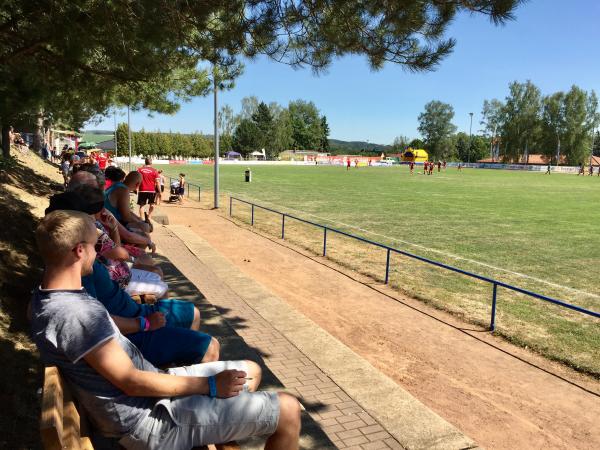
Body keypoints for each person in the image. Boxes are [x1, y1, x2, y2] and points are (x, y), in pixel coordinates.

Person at [31, 210, 301, 449]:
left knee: (250, 371)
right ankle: (224, 422)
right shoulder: (77, 314)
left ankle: (227, 421)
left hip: (151, 394)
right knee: (288, 409)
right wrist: (209, 386)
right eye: (94, 245)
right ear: (79, 251)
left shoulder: (46, 299)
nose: (98, 252)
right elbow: (131, 383)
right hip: (150, 420)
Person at [137, 158, 160, 223]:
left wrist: (136, 188)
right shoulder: (154, 171)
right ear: (151, 163)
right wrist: (159, 191)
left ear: (145, 162)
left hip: (142, 190)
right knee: (152, 204)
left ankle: (142, 219)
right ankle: (149, 217)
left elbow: (137, 179)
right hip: (151, 190)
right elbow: (157, 182)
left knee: (142, 205)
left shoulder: (139, 170)